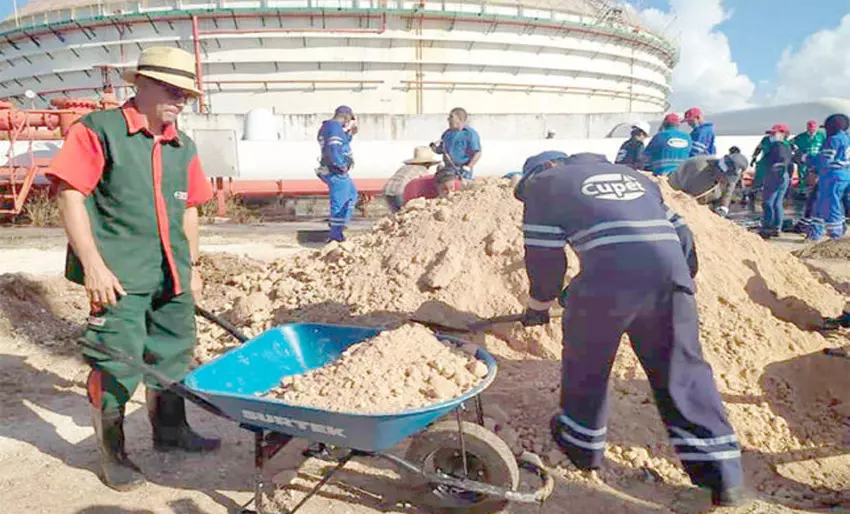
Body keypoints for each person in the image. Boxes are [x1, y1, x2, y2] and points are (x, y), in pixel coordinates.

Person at [514, 151, 745, 507]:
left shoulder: (543, 184)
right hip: (671, 280)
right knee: (684, 372)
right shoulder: (637, 178)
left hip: (609, 285)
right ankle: (723, 477)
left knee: (587, 362)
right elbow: (682, 233)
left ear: (544, 168)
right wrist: (679, 282)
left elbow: (544, 260)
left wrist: (539, 307)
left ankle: (581, 445)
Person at [45, 46, 220, 492]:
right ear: (139, 84)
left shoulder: (183, 145)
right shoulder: (98, 131)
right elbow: (70, 195)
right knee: (117, 360)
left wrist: (193, 266)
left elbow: (190, 210)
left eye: (186, 93)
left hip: (172, 273)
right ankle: (113, 454)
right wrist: (93, 267)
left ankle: (171, 431)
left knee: (174, 351)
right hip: (119, 275)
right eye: (171, 90)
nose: (180, 100)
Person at [803, 113, 850, 241]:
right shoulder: (847, 138)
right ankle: (814, 234)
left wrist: (807, 159)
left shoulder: (833, 140)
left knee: (831, 205)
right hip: (844, 174)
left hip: (832, 176)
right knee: (820, 204)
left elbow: (824, 160)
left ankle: (836, 237)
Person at [316, 105, 359, 242]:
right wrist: (340, 164)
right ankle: (336, 235)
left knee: (352, 195)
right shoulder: (334, 128)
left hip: (334, 170)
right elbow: (334, 148)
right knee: (340, 202)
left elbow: (339, 144)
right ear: (345, 116)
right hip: (336, 171)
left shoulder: (329, 128)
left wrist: (349, 135)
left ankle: (341, 225)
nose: (348, 122)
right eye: (348, 119)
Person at [668, 147, 749, 217]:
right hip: (678, 191)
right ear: (719, 171)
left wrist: (723, 207)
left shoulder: (734, 171)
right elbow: (695, 200)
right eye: (725, 177)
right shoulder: (699, 171)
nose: (727, 180)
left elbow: (730, 186)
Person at [430, 107, 481, 195]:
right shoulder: (447, 133)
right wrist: (435, 149)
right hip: (449, 168)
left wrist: (469, 166)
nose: (448, 120)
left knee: (462, 189)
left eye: (451, 117)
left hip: (463, 168)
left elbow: (477, 152)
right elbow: (443, 149)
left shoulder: (469, 134)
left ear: (460, 119)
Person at [758, 124, 795, 239]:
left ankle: (768, 227)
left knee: (768, 202)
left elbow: (782, 160)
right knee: (777, 203)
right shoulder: (787, 146)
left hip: (775, 176)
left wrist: (776, 169)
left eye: (774, 134)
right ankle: (776, 227)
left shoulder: (778, 146)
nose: (772, 136)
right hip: (783, 176)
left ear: (783, 134)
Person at [382, 146, 442, 212]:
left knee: (397, 213)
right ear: (427, 164)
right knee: (405, 212)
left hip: (387, 191)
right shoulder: (422, 170)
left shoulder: (404, 168)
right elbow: (424, 186)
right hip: (400, 192)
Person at [791, 121, 826, 224]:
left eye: (813, 129)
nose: (811, 131)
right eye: (809, 128)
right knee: (803, 176)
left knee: (816, 178)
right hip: (804, 160)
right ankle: (802, 192)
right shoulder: (801, 137)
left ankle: (813, 193)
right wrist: (797, 152)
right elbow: (791, 143)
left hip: (817, 161)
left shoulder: (821, 136)